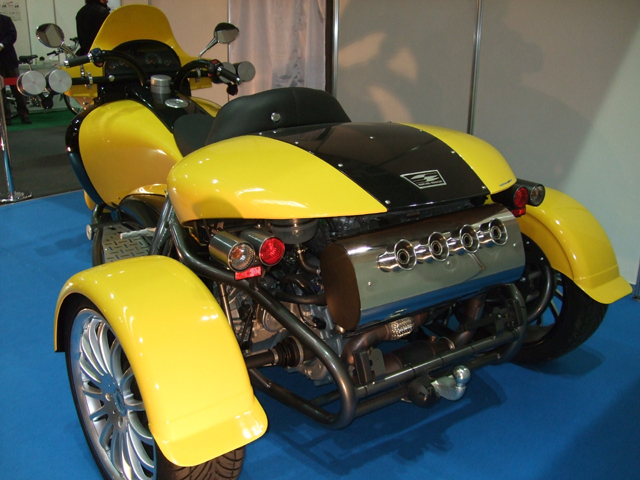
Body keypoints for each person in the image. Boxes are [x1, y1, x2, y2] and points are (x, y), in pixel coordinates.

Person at [0, 14, 30, 124]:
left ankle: (24, 114)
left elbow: (12, 35)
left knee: (17, 88)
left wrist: (2, 45)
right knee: (0, 92)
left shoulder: (5, 20)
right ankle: (6, 117)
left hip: (9, 59)